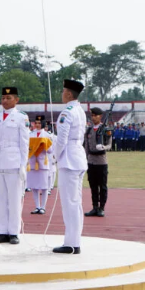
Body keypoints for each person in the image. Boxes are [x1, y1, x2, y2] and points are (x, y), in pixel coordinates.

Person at [0, 87, 30, 245]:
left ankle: (14, 232)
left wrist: (22, 165)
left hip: (13, 162)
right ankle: (3, 231)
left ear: (16, 100)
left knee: (14, 199)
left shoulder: (21, 117)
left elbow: (24, 143)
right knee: (0, 199)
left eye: (9, 98)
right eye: (3, 98)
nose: (5, 101)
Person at [52, 79, 87, 255]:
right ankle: (73, 240)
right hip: (77, 156)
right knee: (75, 202)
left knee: (70, 203)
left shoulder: (68, 112)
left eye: (63, 91)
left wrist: (54, 156)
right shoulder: (80, 110)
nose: (61, 94)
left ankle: (72, 243)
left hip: (69, 159)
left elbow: (61, 140)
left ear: (68, 94)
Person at [84, 107, 112, 217]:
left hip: (101, 161)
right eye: (92, 115)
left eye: (95, 115)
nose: (93, 117)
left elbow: (110, 144)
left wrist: (103, 147)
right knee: (93, 186)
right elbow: (86, 146)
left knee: (102, 186)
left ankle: (102, 208)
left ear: (100, 116)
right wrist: (85, 160)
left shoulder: (105, 129)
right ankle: (95, 207)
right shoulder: (89, 130)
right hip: (91, 160)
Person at [27, 115, 53, 215]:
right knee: (34, 186)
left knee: (44, 186)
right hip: (33, 162)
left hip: (43, 162)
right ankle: (37, 206)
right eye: (36, 123)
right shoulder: (30, 135)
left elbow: (50, 150)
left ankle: (43, 207)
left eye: (39, 123)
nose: (37, 125)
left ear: (42, 124)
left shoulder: (47, 135)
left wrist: (43, 146)